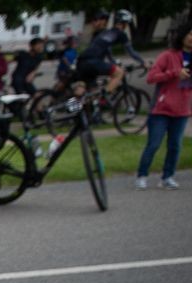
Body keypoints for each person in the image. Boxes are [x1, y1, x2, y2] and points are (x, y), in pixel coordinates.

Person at [135, 22, 192, 190]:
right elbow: (151, 77)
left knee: (175, 146)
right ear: (183, 36)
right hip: (161, 109)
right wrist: (174, 73)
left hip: (182, 109)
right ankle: (142, 175)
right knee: (153, 144)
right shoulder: (168, 56)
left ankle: (168, 176)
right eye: (190, 34)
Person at [76, 9, 147, 94]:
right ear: (124, 23)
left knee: (87, 92)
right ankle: (103, 98)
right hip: (93, 62)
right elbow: (131, 52)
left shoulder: (105, 33)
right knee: (119, 73)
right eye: (127, 24)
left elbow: (107, 51)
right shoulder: (121, 34)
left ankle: (73, 105)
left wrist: (113, 63)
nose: (126, 26)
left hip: (81, 61)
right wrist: (143, 62)